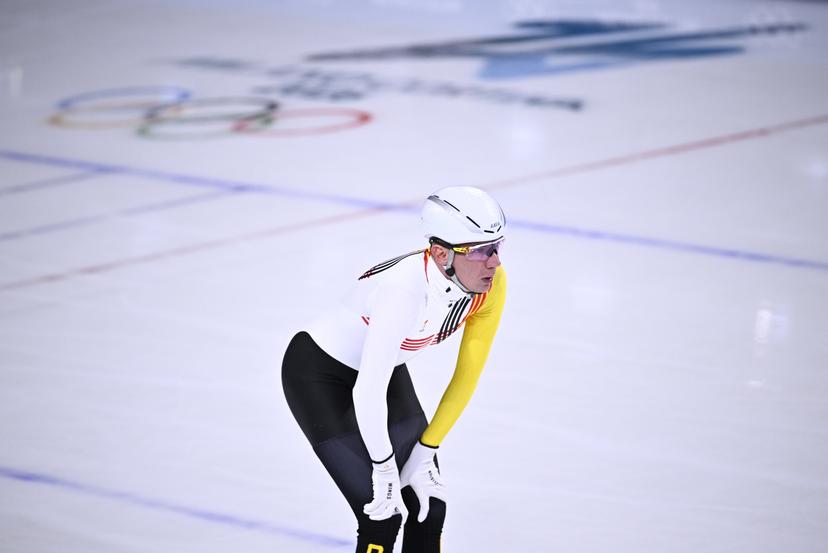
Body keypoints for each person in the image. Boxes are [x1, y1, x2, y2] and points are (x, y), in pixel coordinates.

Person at [281, 186, 507, 552]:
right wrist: (384, 470)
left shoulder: (491, 288)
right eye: (481, 250)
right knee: (381, 515)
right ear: (440, 253)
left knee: (427, 507)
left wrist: (426, 449)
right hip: (319, 377)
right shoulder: (404, 291)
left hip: (381, 373)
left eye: (498, 246)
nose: (494, 261)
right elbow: (366, 391)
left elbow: (467, 376)